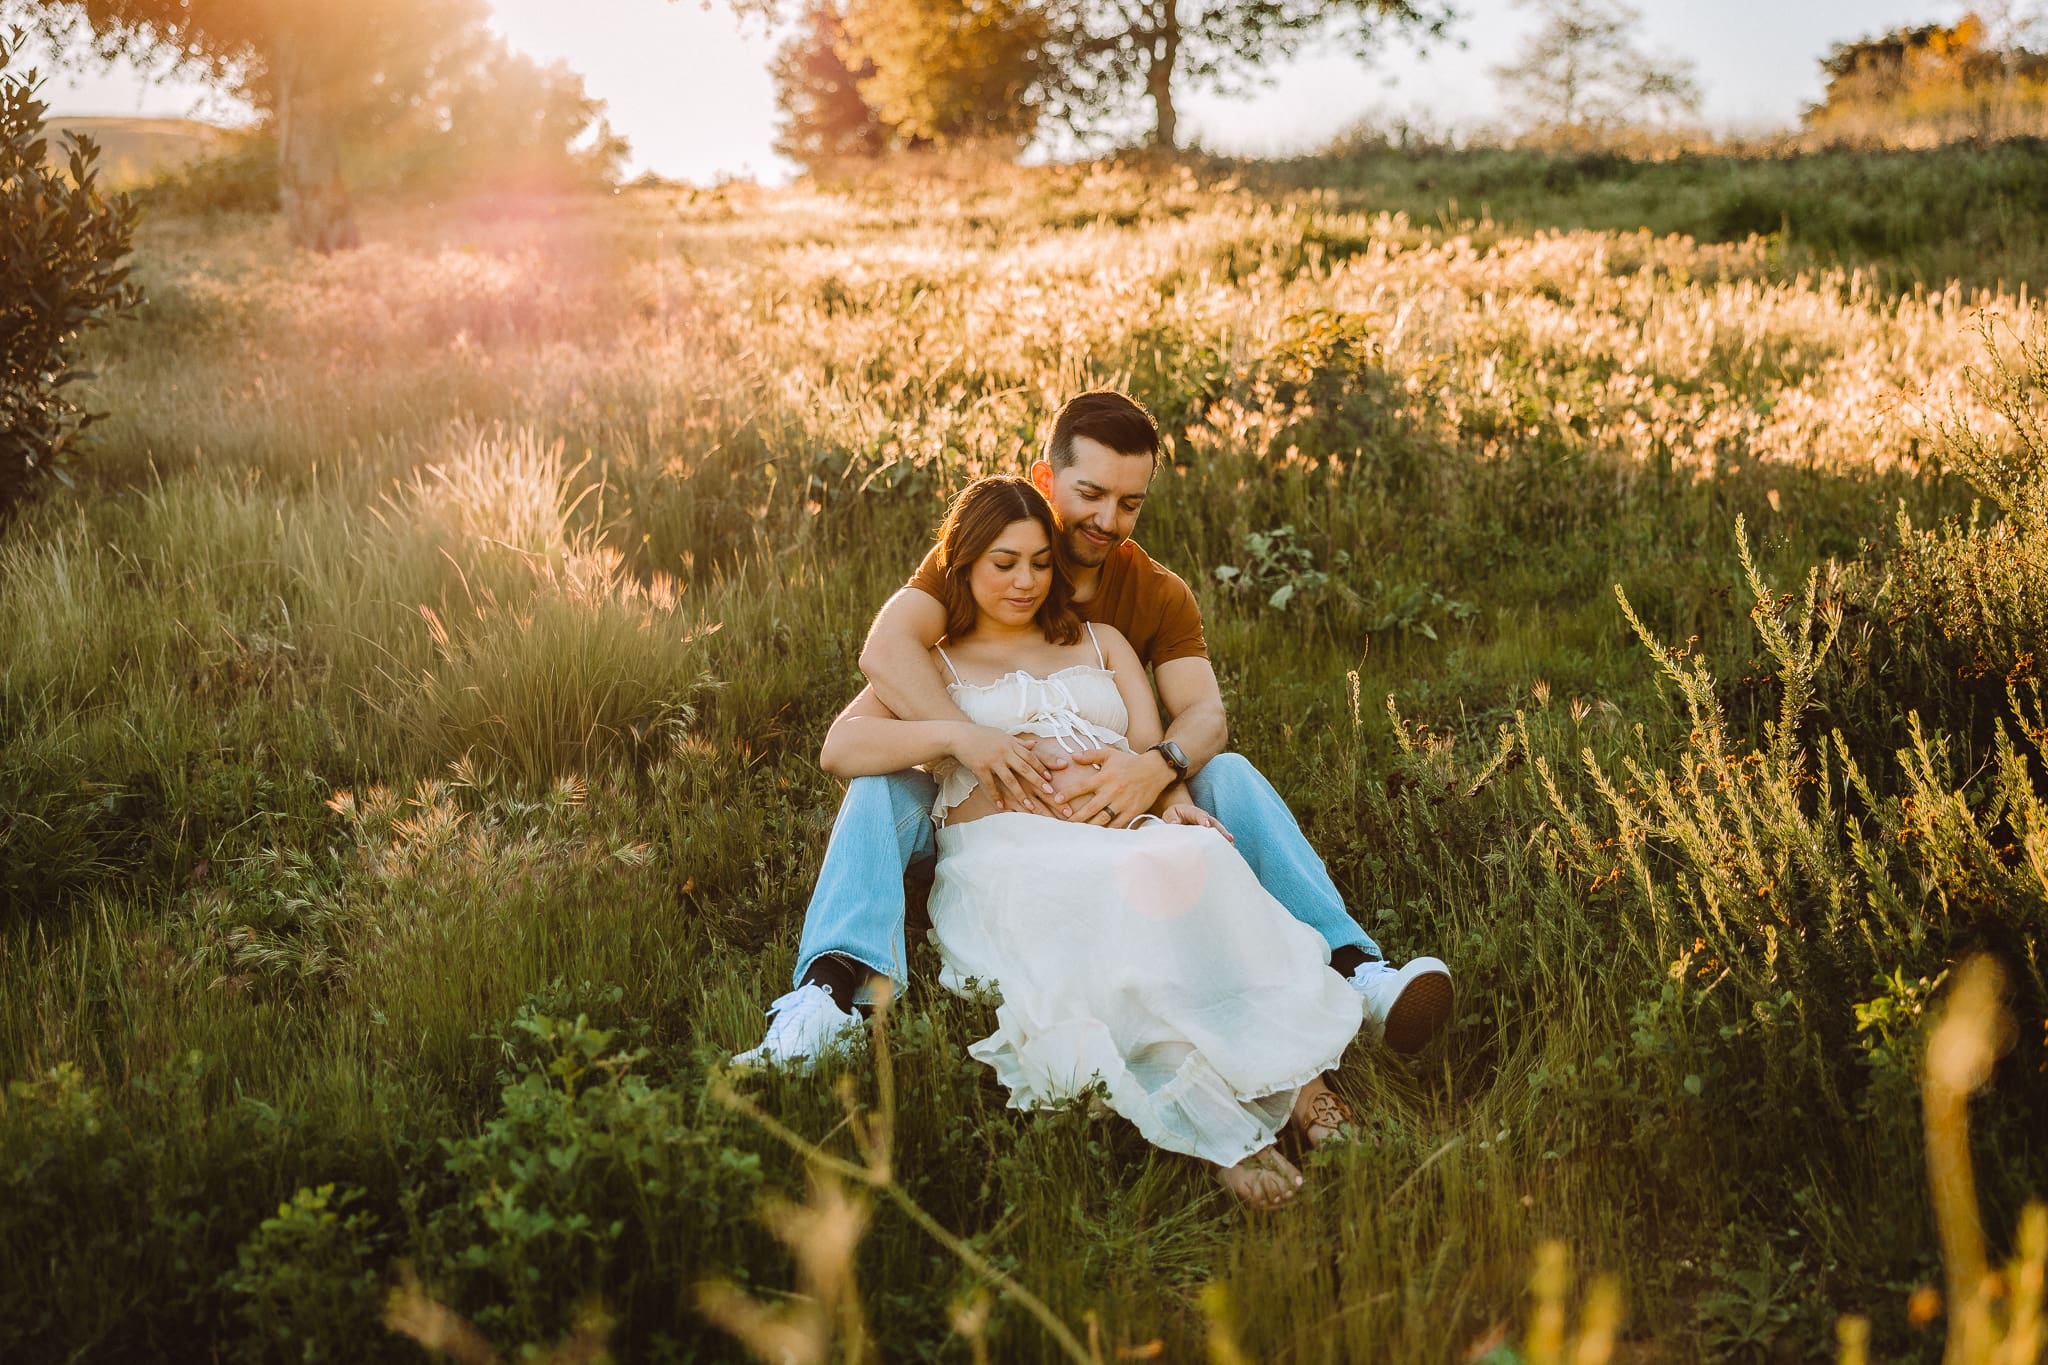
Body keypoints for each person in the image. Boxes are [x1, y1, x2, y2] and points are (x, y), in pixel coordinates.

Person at [736, 390, 1452, 1068]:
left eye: (1130, 503)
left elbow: (1205, 714)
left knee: (1227, 774)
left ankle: (1358, 969)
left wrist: (1159, 768)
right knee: (881, 786)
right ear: (1049, 479)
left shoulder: (1152, 594)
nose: (1108, 519)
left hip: (1113, 805)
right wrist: (973, 744)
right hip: (975, 818)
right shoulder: (987, 549)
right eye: (1091, 494)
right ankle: (830, 992)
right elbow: (886, 655)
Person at [814, 475, 1364, 1207]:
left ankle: (1303, 1086)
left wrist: (1174, 802)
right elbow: (840, 749)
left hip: (1119, 835)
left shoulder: (1102, 642)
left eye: (1041, 562)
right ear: (964, 562)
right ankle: (1226, 1129)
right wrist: (956, 734)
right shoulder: (938, 664)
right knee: (1105, 926)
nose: (1025, 580)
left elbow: (1148, 747)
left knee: (1203, 863)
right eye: (1003, 562)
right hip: (1010, 853)